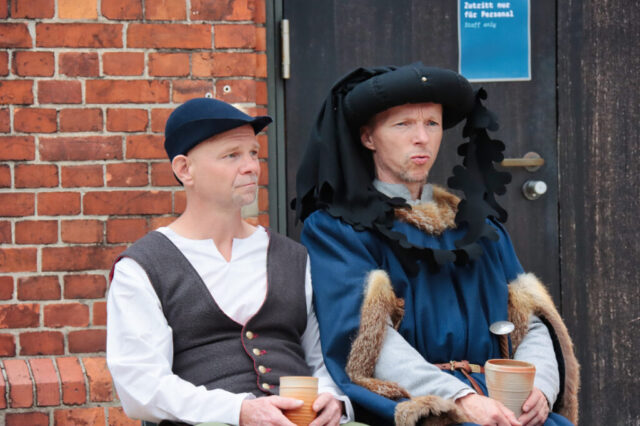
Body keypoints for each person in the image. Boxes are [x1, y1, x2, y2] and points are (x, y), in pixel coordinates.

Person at [295, 64, 579, 426]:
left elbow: (532, 320)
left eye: (431, 123)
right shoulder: (339, 230)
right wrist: (459, 398)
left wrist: (538, 387)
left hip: (503, 404)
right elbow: (367, 339)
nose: (422, 138)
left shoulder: (478, 226)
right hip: (415, 404)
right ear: (368, 138)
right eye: (403, 125)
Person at [106, 97, 355, 426]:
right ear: (184, 169)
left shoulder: (293, 256)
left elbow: (320, 359)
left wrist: (333, 400)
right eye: (232, 155)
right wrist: (239, 411)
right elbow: (142, 387)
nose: (251, 166)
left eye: (253, 153)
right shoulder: (142, 268)